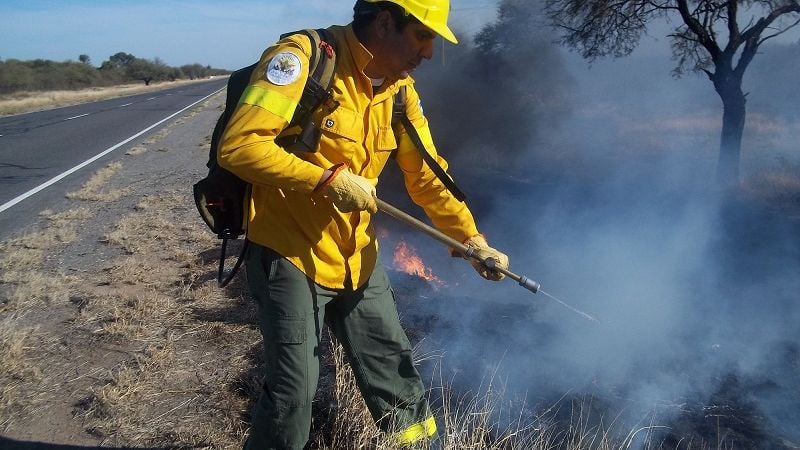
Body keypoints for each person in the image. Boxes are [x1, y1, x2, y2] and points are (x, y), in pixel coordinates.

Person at [217, 0, 509, 448]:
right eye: (423, 36)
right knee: (294, 392)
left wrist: (471, 240)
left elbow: (428, 177)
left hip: (358, 255)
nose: (429, 52)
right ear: (386, 21)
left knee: (396, 374)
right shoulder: (302, 60)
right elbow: (240, 147)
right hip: (291, 252)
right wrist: (325, 180)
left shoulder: (399, 92)